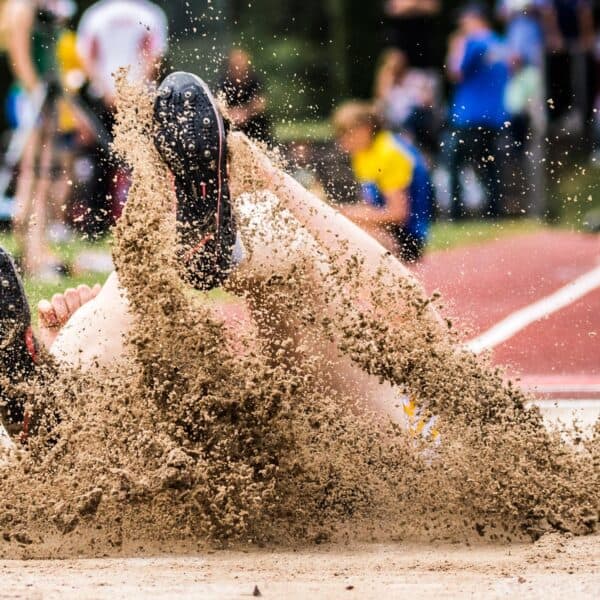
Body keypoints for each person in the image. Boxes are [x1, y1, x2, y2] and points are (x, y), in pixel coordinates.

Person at [1, 72, 438, 444]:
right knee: (266, 234)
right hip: (280, 449)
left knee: (234, 237)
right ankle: (64, 380)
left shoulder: (457, 430)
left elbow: (411, 313)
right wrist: (66, 337)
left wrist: (273, 183)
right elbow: (407, 305)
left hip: (339, 442)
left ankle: (56, 395)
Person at [4, 0, 79, 278]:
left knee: (44, 179)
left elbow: (54, 54)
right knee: (31, 178)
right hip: (30, 98)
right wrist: (38, 94)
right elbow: (19, 59)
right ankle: (29, 255)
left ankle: (38, 250)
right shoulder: (21, 8)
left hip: (47, 97)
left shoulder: (48, 7)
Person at [332, 101, 433, 263]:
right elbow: (370, 205)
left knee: (340, 234)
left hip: (408, 239)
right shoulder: (363, 154)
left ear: (364, 129)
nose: (342, 143)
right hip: (386, 231)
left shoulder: (389, 153)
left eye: (345, 134)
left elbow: (398, 214)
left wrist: (347, 213)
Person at [446, 3, 510, 220]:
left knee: (455, 163)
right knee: (490, 165)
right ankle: (494, 211)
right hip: (494, 114)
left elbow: (456, 72)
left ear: (474, 19)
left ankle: (456, 214)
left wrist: (456, 46)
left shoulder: (472, 42)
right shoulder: (501, 43)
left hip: (469, 115)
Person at [373, 48, 437, 154]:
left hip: (418, 119)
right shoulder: (387, 82)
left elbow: (428, 100)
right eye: (392, 67)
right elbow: (381, 102)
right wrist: (387, 80)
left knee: (413, 115)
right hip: (395, 122)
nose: (396, 69)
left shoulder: (415, 77)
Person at [217, 48, 271, 144]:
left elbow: (261, 103)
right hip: (233, 129)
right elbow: (218, 103)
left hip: (256, 128)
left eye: (241, 63)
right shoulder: (224, 81)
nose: (238, 67)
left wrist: (246, 112)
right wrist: (230, 113)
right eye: (235, 65)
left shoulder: (254, 79)